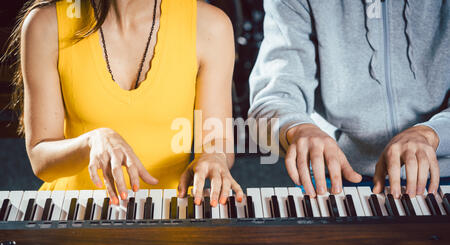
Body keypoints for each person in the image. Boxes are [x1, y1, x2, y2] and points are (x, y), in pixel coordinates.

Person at [4, 0, 243, 206]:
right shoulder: (45, 24)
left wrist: (214, 157)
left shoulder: (212, 26)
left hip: (169, 213)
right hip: (72, 214)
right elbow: (41, 160)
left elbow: (216, 142)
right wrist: (91, 141)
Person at [249, 0, 449, 199]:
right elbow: (273, 97)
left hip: (443, 174)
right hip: (338, 179)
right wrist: (298, 128)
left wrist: (432, 133)